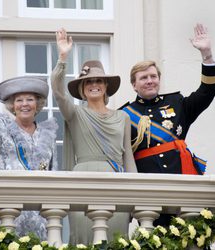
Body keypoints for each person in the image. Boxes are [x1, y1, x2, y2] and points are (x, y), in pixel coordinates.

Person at [122, 23, 215, 229]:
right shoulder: (124, 115)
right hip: (150, 193)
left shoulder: (177, 104)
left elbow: (207, 91)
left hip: (183, 185)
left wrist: (207, 55)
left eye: (153, 76)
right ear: (134, 84)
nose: (150, 81)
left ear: (159, 79)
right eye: (143, 78)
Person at [51, 28, 137, 244]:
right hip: (82, 178)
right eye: (88, 81)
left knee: (116, 239)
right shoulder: (75, 113)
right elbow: (59, 93)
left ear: (106, 86)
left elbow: (128, 158)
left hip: (116, 180)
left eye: (98, 80)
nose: (94, 85)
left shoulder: (122, 117)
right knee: (84, 239)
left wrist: (137, 192)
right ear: (82, 88)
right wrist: (62, 58)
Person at [0, 76, 58, 240]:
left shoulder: (48, 136)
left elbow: (53, 174)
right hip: (5, 208)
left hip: (37, 214)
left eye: (30, 99)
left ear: (38, 104)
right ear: (12, 106)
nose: (24, 104)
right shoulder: (0, 127)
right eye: (19, 100)